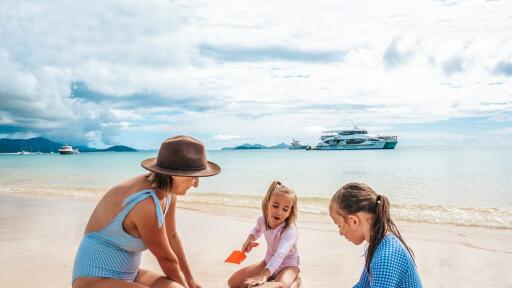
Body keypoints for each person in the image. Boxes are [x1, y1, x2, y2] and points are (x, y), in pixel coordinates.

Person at [72, 135, 221, 288]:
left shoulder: (167, 192)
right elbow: (166, 258)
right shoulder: (145, 204)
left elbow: (172, 236)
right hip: (93, 278)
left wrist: (190, 280)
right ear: (175, 174)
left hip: (130, 274)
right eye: (194, 177)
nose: (196, 184)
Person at [329, 182, 422, 288]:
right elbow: (362, 285)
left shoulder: (386, 256)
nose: (340, 233)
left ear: (353, 221)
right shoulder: (377, 244)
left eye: (339, 225)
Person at [228, 181, 301, 288]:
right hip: (268, 262)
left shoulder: (290, 230)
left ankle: (296, 281)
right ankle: (272, 277)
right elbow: (257, 229)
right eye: (275, 206)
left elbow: (280, 254)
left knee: (278, 287)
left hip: (288, 265)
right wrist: (250, 239)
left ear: (290, 211)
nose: (279, 212)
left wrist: (264, 275)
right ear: (267, 204)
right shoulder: (262, 220)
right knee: (233, 282)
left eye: (285, 209)